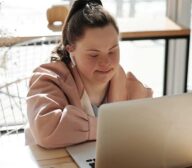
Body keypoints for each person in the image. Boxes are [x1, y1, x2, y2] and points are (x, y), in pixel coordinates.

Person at [26, 0, 152, 149]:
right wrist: (111, 128)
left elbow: (148, 125)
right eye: (93, 54)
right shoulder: (48, 79)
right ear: (70, 49)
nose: (106, 62)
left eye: (112, 50)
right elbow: (46, 131)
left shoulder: (126, 83)